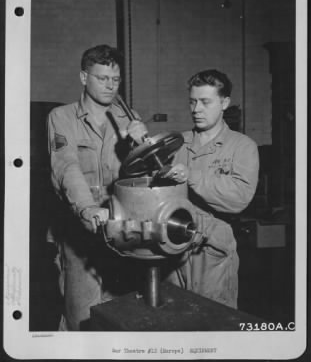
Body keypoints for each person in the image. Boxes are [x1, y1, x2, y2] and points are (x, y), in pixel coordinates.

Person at [47, 44, 148, 330]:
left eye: (115, 80)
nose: (110, 86)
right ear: (83, 77)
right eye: (102, 78)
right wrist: (88, 209)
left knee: (123, 311)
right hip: (81, 228)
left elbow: (141, 176)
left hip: (122, 228)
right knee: (82, 315)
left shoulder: (129, 118)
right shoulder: (61, 117)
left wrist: (141, 144)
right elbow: (66, 167)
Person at [163, 69, 259, 309]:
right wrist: (136, 142)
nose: (196, 110)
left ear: (224, 103)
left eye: (205, 102)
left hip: (212, 250)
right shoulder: (177, 143)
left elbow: (239, 198)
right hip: (173, 248)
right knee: (173, 318)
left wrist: (192, 176)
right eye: (193, 102)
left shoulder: (242, 146)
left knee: (213, 322)